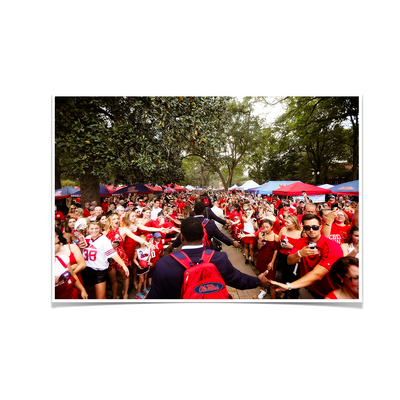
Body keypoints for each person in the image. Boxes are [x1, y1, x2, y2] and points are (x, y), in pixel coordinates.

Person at [147, 217, 271, 299]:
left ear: (182, 237)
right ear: (203, 236)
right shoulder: (219, 258)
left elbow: (154, 297)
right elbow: (239, 280)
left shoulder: (163, 265)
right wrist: (258, 281)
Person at [270, 214, 343, 299]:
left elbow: (318, 274)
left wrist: (289, 286)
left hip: (328, 295)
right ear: (304, 229)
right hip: (307, 291)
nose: (311, 230)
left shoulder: (332, 246)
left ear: (320, 227)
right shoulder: (300, 242)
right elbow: (289, 261)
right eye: (307, 228)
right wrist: (300, 253)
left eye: (315, 227)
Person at [80, 221, 130, 299]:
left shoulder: (104, 240)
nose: (94, 230)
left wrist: (123, 265)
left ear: (100, 229)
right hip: (86, 270)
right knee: (90, 293)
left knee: (100, 297)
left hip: (99, 271)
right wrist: (80, 247)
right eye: (91, 228)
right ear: (88, 230)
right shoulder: (86, 238)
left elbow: (113, 254)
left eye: (96, 228)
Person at [55, 228, 88, 299]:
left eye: (55, 236)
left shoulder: (64, 256)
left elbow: (82, 265)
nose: (60, 244)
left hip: (74, 282)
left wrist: (69, 273)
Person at [277, 214, 302, 299]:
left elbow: (301, 247)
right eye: (285, 222)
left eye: (288, 222)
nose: (285, 223)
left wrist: (291, 246)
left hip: (293, 257)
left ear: (295, 223)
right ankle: (284, 292)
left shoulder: (300, 233)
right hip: (282, 255)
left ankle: (292, 293)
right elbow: (279, 238)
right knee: (284, 273)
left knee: (292, 275)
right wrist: (281, 244)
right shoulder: (283, 229)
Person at [255, 220, 280, 299]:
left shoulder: (276, 236)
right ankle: (263, 290)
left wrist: (272, 262)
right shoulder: (261, 234)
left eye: (267, 227)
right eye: (263, 227)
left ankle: (274, 300)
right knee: (262, 277)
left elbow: (276, 251)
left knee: (271, 282)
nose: (265, 228)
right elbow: (259, 248)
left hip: (269, 260)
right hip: (261, 258)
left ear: (272, 226)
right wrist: (260, 240)